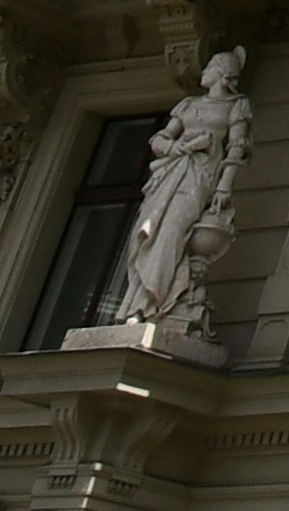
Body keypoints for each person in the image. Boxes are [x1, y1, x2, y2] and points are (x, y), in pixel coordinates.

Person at [100, 50, 252, 344]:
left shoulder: (237, 106)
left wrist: (224, 187)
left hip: (200, 177)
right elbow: (159, 139)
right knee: (148, 232)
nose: (204, 71)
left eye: (210, 66)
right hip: (171, 172)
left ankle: (153, 304)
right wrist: (174, 149)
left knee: (170, 233)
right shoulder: (188, 104)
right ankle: (135, 306)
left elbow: (237, 149)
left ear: (222, 73)